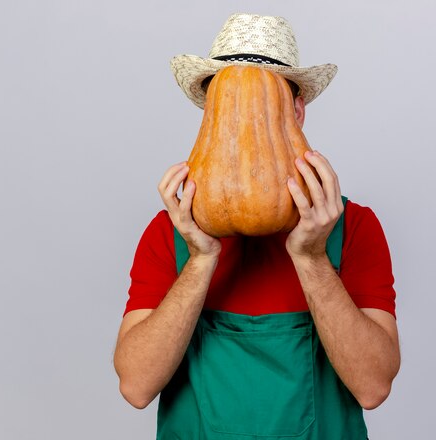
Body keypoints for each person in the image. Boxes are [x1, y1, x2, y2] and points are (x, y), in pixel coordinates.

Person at [114, 13, 400, 439]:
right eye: (228, 107)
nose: (245, 124)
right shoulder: (169, 231)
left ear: (297, 112)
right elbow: (136, 387)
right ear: (211, 118)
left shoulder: (353, 226)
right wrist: (200, 259)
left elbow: (373, 387)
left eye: (264, 105)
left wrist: (312, 257)